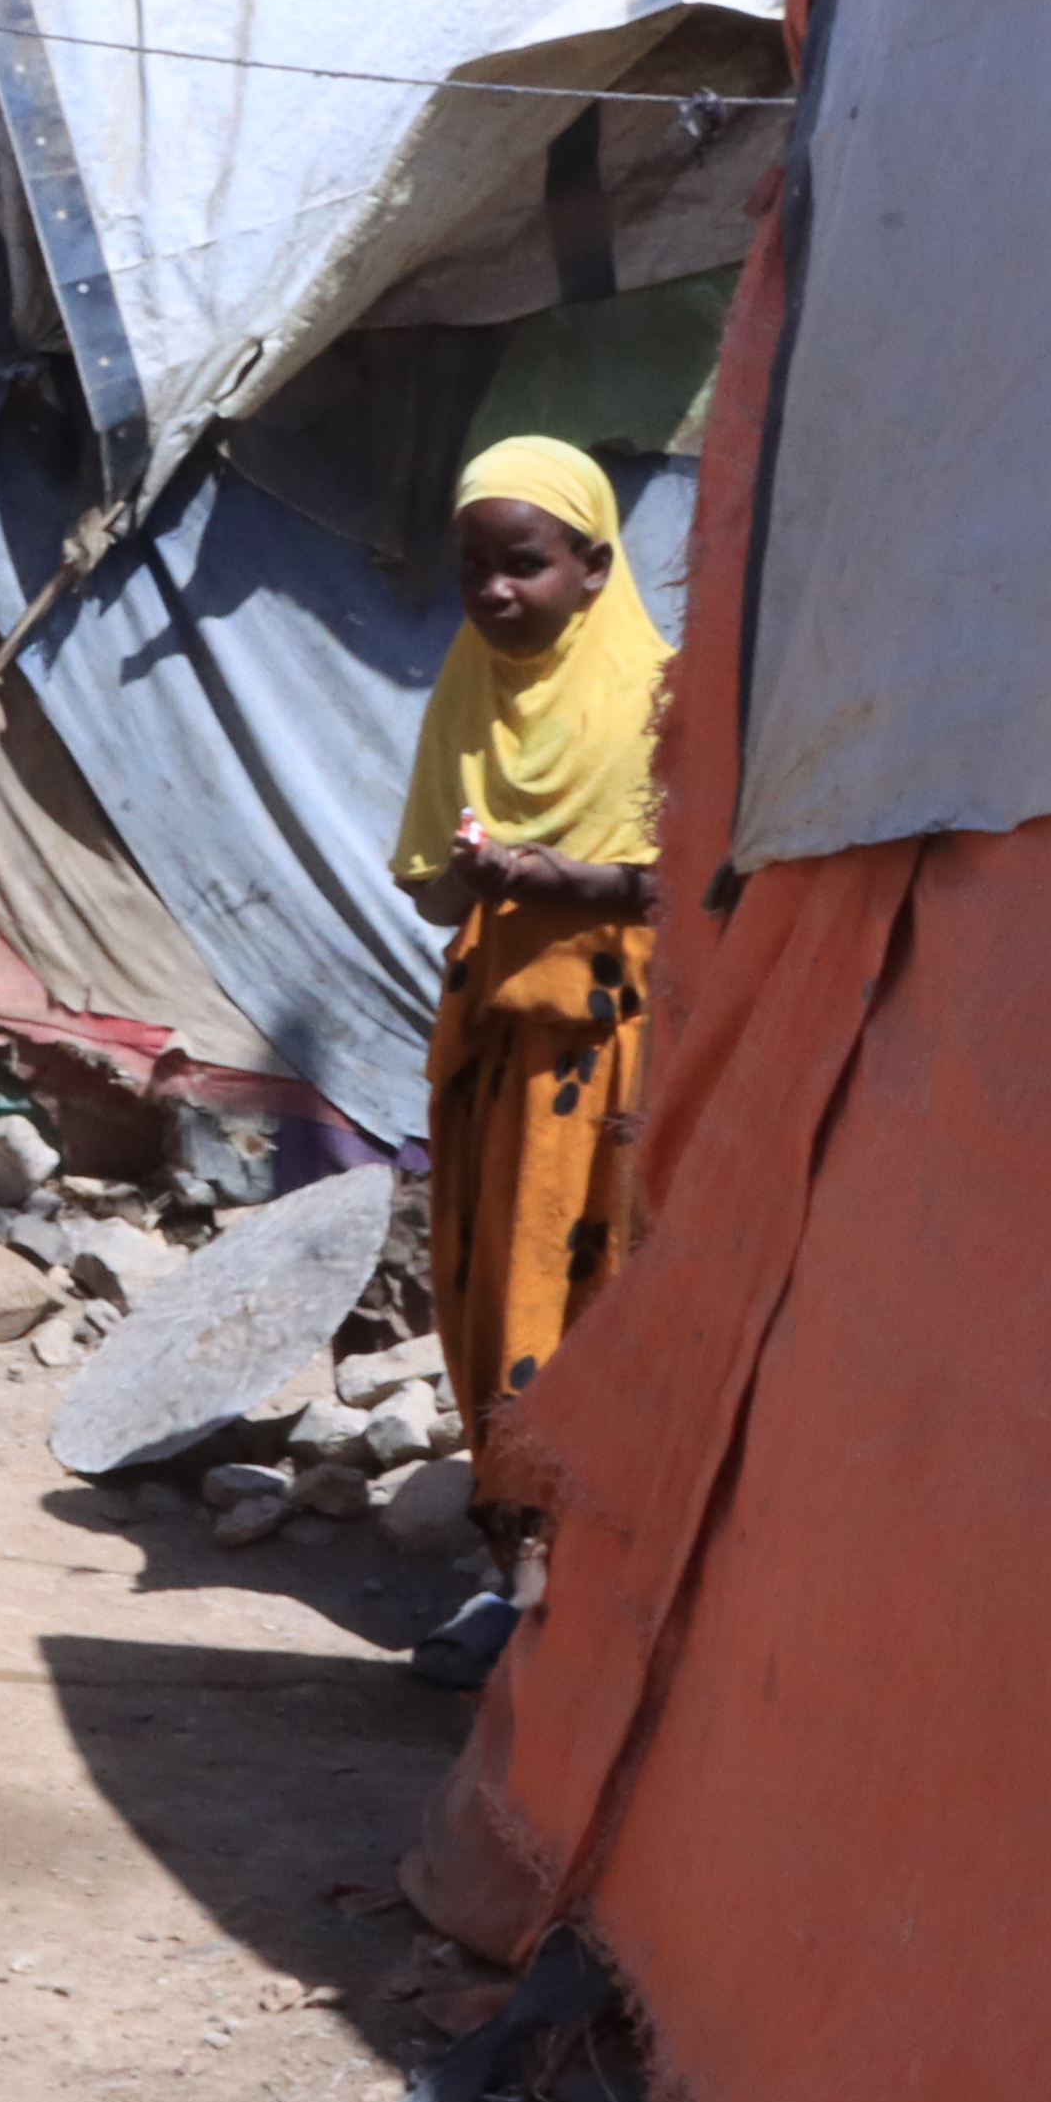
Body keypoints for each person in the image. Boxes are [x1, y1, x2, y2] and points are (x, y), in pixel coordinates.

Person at [388, 435, 668, 1693]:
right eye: (477, 568)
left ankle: (581, 1581)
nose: (498, 591)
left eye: (527, 564)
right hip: (497, 1046)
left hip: (614, 1058)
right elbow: (432, 884)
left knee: (594, 1301)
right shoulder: (468, 690)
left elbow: (705, 876)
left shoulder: (664, 702)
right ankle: (515, 1570)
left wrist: (570, 880)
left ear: (595, 567)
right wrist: (474, 872)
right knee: (493, 1289)